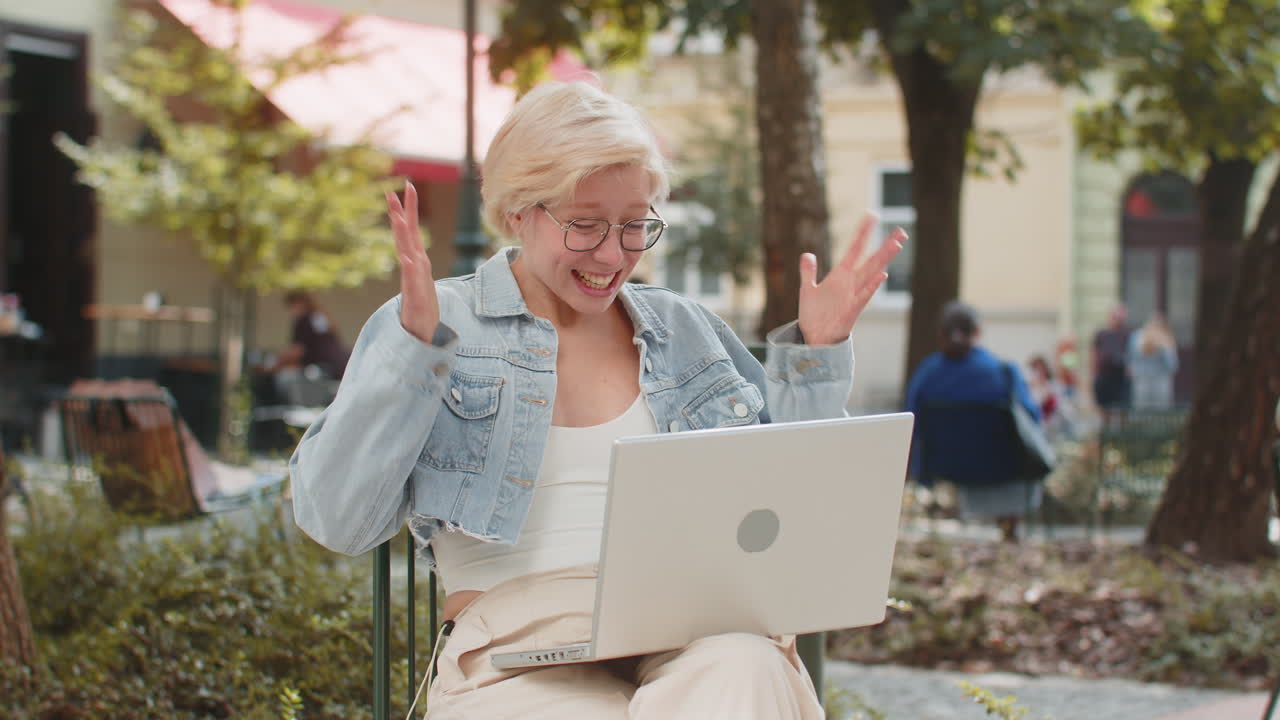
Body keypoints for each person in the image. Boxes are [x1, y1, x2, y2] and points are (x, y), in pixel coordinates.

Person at [289, 81, 905, 719]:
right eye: (585, 225)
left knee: (746, 667)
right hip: (515, 649)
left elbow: (789, 498)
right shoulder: (440, 320)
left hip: (691, 630)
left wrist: (817, 352)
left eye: (635, 225)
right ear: (518, 211)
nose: (613, 255)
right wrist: (412, 352)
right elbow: (338, 521)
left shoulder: (682, 327)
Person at [905, 301, 1044, 543]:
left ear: (941, 333)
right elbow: (1031, 418)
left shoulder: (927, 375)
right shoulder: (1003, 373)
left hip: (943, 465)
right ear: (978, 331)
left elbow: (910, 420)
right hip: (1001, 467)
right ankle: (1010, 526)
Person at [260, 291, 350, 406]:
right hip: (338, 368)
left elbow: (297, 351)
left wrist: (273, 366)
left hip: (321, 372)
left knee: (286, 380)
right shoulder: (319, 317)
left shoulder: (304, 320)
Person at [1128, 312, 1179, 410]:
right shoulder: (1137, 336)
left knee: (1161, 408)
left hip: (1161, 380)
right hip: (1142, 379)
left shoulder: (1166, 337)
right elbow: (1132, 358)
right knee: (1141, 407)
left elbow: (1173, 365)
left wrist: (1164, 348)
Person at [1091, 304, 1132, 419]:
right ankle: (1106, 434)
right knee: (1105, 409)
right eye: (1116, 317)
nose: (1119, 321)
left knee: (1123, 409)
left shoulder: (1127, 334)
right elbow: (1094, 354)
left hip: (1121, 378)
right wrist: (1094, 374)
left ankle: (1122, 436)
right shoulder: (1101, 334)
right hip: (1104, 377)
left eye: (1121, 318)